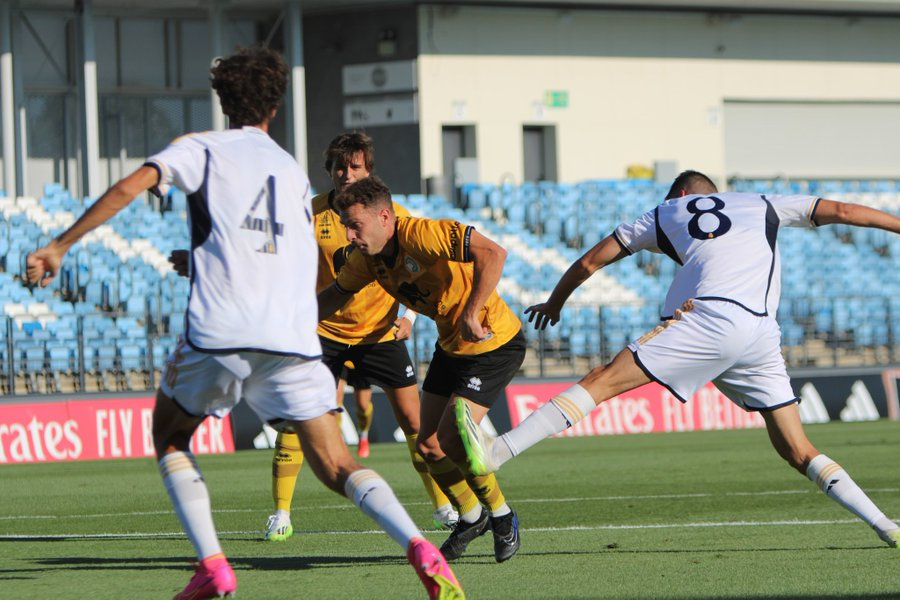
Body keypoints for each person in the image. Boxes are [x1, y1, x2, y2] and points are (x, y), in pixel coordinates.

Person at [25, 47, 464, 600]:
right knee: (336, 462)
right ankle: (419, 547)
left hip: (221, 330)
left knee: (170, 435)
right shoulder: (288, 169)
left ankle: (212, 563)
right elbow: (295, 253)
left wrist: (61, 243)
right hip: (292, 335)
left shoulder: (201, 148)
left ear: (222, 100)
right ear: (275, 106)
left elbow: (128, 187)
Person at [456, 169, 900, 550]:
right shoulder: (765, 201)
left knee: (602, 380)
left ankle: (498, 450)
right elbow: (843, 212)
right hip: (761, 335)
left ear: (685, 195)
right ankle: (885, 524)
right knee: (798, 449)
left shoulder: (665, 212)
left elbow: (592, 261)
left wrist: (555, 301)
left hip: (710, 319)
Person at [318, 175, 525, 563]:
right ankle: (471, 516)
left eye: (355, 225)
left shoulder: (424, 234)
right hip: (451, 347)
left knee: (455, 436)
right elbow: (333, 296)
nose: (348, 235)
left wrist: (469, 310)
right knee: (427, 443)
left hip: (492, 343)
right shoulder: (368, 259)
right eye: (345, 225)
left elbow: (493, 253)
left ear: (385, 217)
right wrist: (289, 330)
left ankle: (503, 515)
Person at [264, 132, 457, 543]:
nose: (346, 173)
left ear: (368, 170)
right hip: (324, 332)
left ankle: (443, 506)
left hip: (378, 332)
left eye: (354, 166)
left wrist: (409, 316)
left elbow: (423, 267)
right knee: (302, 419)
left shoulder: (391, 214)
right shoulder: (309, 213)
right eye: (339, 166)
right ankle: (280, 512)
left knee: (414, 422)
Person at [341, 363, 374, 458]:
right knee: (335, 400)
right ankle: (338, 441)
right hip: (338, 355)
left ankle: (363, 435)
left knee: (363, 406)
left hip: (360, 357)